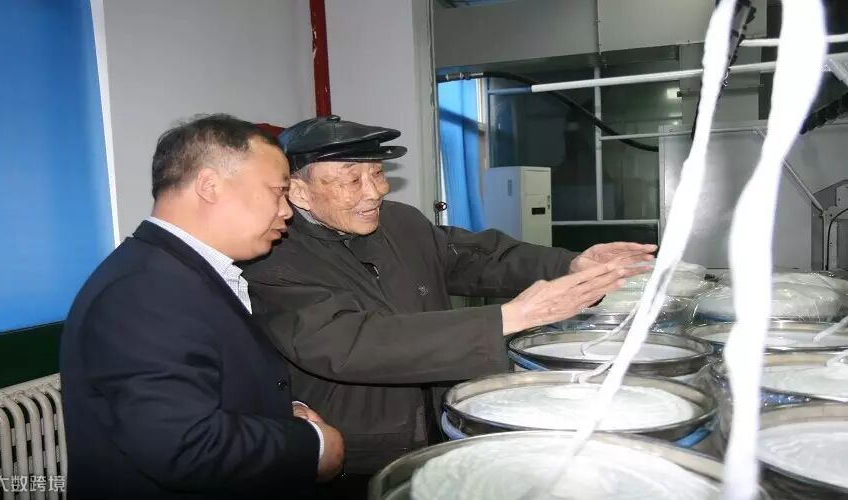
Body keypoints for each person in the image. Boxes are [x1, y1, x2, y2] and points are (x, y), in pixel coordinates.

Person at [240, 115, 655, 497]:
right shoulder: (273, 255)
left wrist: (568, 263)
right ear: (299, 192)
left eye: (378, 173)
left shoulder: (400, 222)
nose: (376, 191)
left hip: (441, 421)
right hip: (358, 450)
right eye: (352, 180)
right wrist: (507, 318)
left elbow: (478, 256)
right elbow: (350, 342)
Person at [60, 114, 343, 499]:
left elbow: (207, 388)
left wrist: (278, 411)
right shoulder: (145, 291)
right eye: (278, 191)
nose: (287, 211)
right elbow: (184, 445)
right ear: (209, 185)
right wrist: (313, 446)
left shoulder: (181, 274)